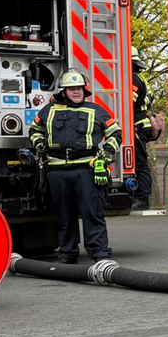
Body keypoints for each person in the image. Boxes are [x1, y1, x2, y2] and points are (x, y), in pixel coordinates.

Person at [29, 69, 121, 264]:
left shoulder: (96, 110)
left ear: (84, 90)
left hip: (86, 170)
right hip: (57, 171)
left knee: (92, 214)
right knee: (64, 216)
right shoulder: (48, 110)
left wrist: (107, 153)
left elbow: (115, 133)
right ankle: (67, 254)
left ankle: (100, 254)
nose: (76, 92)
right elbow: (34, 129)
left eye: (79, 88)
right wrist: (39, 144)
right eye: (72, 89)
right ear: (64, 92)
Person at [131, 48, 155, 209]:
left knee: (140, 163)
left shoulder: (133, 79)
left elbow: (129, 102)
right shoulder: (141, 78)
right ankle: (140, 196)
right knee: (139, 162)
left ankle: (143, 198)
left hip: (138, 125)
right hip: (142, 124)